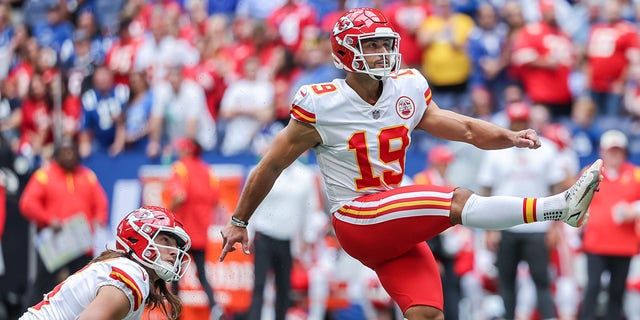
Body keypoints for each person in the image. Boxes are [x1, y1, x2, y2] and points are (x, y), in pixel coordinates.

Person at [219, 8, 604, 320]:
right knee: (454, 202)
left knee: (426, 313)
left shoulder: (407, 87)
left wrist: (510, 137)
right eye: (371, 45)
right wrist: (239, 220)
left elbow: (466, 129)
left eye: (385, 42)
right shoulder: (321, 103)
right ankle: (558, 208)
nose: (382, 51)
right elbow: (270, 166)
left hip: (392, 218)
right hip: (355, 216)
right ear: (344, 54)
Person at [19, 206, 192, 320]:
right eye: (165, 241)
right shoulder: (132, 275)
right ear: (137, 238)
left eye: (176, 246)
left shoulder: (129, 271)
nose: (173, 251)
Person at [478, 102, 565, 320]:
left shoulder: (548, 149)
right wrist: (489, 228)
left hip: (538, 226)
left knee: (542, 280)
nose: (518, 125)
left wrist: (555, 227)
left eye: (522, 121)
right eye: (515, 122)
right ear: (509, 122)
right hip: (504, 225)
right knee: (506, 282)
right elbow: (486, 190)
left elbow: (556, 189)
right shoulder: (495, 151)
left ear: (529, 122)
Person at [19, 138, 109, 307]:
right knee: (43, 284)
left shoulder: (87, 175)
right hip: (55, 242)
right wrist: (47, 219)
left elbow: (101, 201)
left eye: (71, 151)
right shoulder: (44, 175)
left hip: (82, 242)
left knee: (85, 284)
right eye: (64, 152)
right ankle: (31, 315)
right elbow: (27, 203)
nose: (68, 156)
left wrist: (100, 218)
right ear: (56, 155)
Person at [578, 129, 640, 320]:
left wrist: (634, 210)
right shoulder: (589, 172)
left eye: (618, 151)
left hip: (623, 244)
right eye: (610, 150)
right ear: (602, 151)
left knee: (617, 291)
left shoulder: (636, 174)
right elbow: (576, 201)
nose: (614, 155)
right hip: (596, 242)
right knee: (593, 287)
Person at [163, 137, 222, 319]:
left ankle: (176, 313)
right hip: (200, 232)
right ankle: (214, 307)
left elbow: (179, 195)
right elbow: (215, 200)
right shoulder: (209, 171)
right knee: (203, 274)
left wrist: (167, 213)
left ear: (188, 150)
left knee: (175, 275)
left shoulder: (180, 168)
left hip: (182, 232)